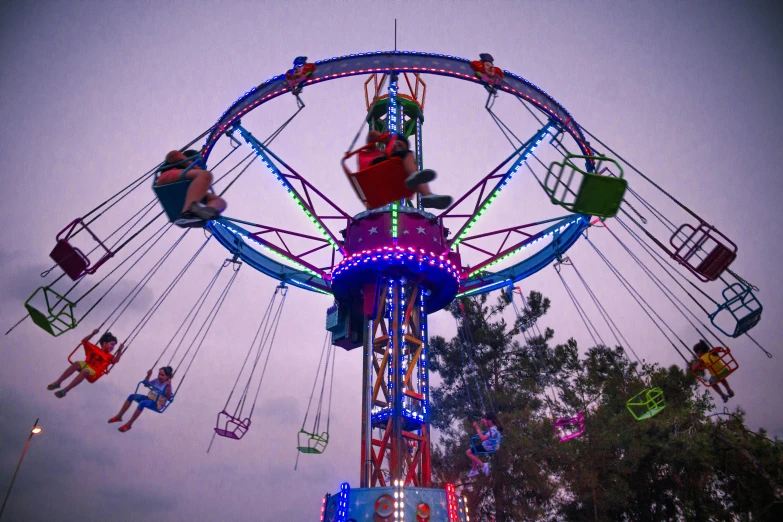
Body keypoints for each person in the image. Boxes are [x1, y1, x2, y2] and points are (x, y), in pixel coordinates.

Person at [358, 130, 452, 210]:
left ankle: (428, 196)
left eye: (401, 147)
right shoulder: (376, 152)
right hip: (373, 170)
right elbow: (372, 134)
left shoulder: (398, 166)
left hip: (386, 183)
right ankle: (416, 179)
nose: (398, 148)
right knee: (408, 155)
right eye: (397, 144)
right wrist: (385, 139)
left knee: (414, 179)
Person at [157, 149, 227, 228]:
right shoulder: (179, 162)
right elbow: (172, 155)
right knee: (206, 175)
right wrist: (194, 167)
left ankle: (204, 212)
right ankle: (188, 212)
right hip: (169, 179)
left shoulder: (195, 178)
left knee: (220, 201)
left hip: (187, 190)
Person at [48, 329, 122, 398]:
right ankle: (58, 382)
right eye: (112, 344)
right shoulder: (94, 348)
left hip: (94, 371)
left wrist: (119, 350)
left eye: (114, 346)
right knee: (77, 363)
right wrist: (93, 334)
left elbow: (116, 360)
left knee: (85, 371)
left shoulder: (109, 356)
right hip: (86, 364)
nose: (113, 347)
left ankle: (65, 390)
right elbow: (84, 341)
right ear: (104, 343)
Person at [108, 367, 174, 433]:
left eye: (162, 375)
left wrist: (168, 386)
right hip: (149, 398)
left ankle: (129, 424)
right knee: (131, 396)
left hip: (157, 404)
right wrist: (148, 375)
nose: (160, 376)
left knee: (142, 403)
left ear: (167, 377)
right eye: (159, 374)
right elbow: (146, 384)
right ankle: (119, 416)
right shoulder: (157, 380)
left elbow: (168, 397)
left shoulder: (167, 385)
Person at [466, 412, 503, 477]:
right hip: (493, 446)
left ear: (490, 420)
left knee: (468, 452)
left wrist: (477, 428)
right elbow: (490, 432)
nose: (486, 421)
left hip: (487, 447)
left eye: (487, 420)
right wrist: (485, 423)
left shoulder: (493, 429)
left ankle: (483, 465)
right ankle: (474, 470)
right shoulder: (495, 427)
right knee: (474, 451)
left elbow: (483, 438)